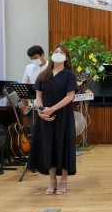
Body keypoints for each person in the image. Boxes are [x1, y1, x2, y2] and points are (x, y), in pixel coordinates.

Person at [27, 45, 77, 195]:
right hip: (45, 116)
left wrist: (53, 109)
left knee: (63, 146)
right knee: (49, 146)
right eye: (56, 51)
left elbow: (70, 96)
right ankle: (52, 180)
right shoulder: (43, 75)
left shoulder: (69, 75)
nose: (58, 54)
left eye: (62, 52)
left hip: (63, 116)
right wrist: (41, 110)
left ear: (66, 57)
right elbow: (38, 96)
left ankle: (64, 180)